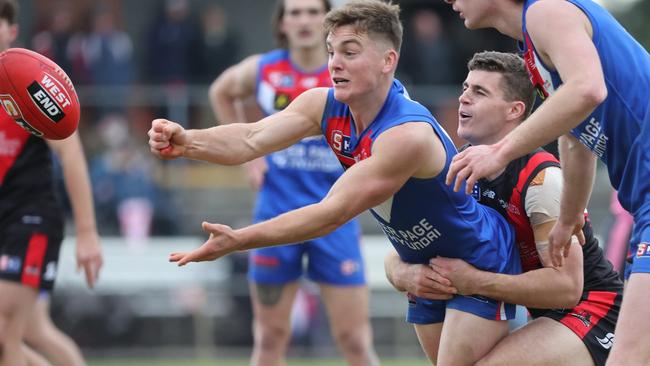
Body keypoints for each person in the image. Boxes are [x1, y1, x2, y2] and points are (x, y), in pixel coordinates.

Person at [150, 1, 523, 364]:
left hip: (478, 257)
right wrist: (188, 142)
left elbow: (330, 214)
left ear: (387, 61)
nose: (334, 64)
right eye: (331, 51)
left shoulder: (405, 135)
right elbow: (251, 138)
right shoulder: (323, 104)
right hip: (424, 263)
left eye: (350, 52)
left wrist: (238, 241)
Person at [441, 1, 650, 364]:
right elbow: (575, 137)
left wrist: (500, 151)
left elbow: (588, 89)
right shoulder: (533, 45)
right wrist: (568, 219)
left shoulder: (545, 10)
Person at [385, 51, 623, 366]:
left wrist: (475, 282)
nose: (463, 99)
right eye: (465, 88)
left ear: (514, 110)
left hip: (593, 311)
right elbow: (409, 240)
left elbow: (567, 287)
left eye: (479, 92)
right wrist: (404, 273)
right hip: (537, 312)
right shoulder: (455, 167)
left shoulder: (542, 179)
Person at [207, 1, 378, 365]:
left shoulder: (348, 71)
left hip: (336, 214)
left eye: (313, 11)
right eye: (295, 12)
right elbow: (220, 91)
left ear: (328, 21)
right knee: (269, 337)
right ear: (281, 22)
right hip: (275, 211)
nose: (304, 20)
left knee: (354, 339)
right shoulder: (264, 69)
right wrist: (249, 160)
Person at [0, 1, 103, 365]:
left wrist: (88, 233)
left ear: (11, 33)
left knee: (4, 336)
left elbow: (71, 153)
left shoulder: (27, 84)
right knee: (31, 332)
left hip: (28, 219)